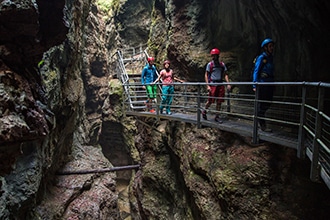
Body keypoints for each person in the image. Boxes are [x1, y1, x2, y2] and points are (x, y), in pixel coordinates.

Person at [202, 48, 231, 123]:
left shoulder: (222, 64)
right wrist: (208, 85)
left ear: (218, 56)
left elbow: (225, 74)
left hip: (220, 84)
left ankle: (217, 116)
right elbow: (206, 75)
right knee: (210, 101)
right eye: (213, 56)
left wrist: (228, 83)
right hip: (213, 84)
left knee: (219, 101)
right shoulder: (210, 65)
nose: (213, 57)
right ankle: (204, 111)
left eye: (215, 55)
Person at [252, 38, 275, 132]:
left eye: (272, 46)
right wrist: (255, 84)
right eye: (270, 46)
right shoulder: (262, 57)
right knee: (262, 104)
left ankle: (258, 119)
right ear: (265, 48)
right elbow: (256, 71)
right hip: (262, 84)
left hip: (269, 82)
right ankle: (262, 125)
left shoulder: (270, 58)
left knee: (268, 103)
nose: (272, 48)